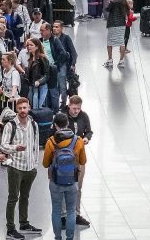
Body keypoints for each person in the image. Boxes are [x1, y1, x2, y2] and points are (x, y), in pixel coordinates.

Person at [0, 98, 42, 240]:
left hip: (30, 168)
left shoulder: (34, 125)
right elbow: (3, 146)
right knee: (13, 198)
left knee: (25, 196)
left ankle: (24, 223)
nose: (23, 110)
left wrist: (35, 164)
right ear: (17, 109)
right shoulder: (11, 125)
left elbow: (36, 146)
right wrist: (16, 148)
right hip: (15, 167)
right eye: (20, 108)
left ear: (29, 108)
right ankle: (10, 228)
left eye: (25, 108)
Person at [43, 113, 87, 240]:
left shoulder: (51, 142)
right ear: (68, 123)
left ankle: (57, 237)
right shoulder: (78, 141)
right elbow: (83, 161)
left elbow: (45, 163)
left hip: (55, 182)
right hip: (72, 181)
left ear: (55, 125)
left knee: (56, 210)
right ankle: (70, 237)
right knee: (71, 211)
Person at [64, 96, 93, 227]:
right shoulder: (62, 116)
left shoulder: (84, 116)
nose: (76, 111)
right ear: (69, 105)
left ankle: (76, 213)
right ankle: (63, 215)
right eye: (74, 108)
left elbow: (89, 131)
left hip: (79, 155)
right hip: (64, 156)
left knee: (78, 186)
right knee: (64, 185)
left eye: (78, 109)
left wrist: (86, 138)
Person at [104, 0, 130, 68]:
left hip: (112, 24)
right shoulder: (124, 1)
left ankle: (110, 60)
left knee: (109, 42)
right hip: (122, 24)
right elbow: (128, 12)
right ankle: (121, 61)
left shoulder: (113, 1)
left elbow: (107, 9)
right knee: (121, 42)